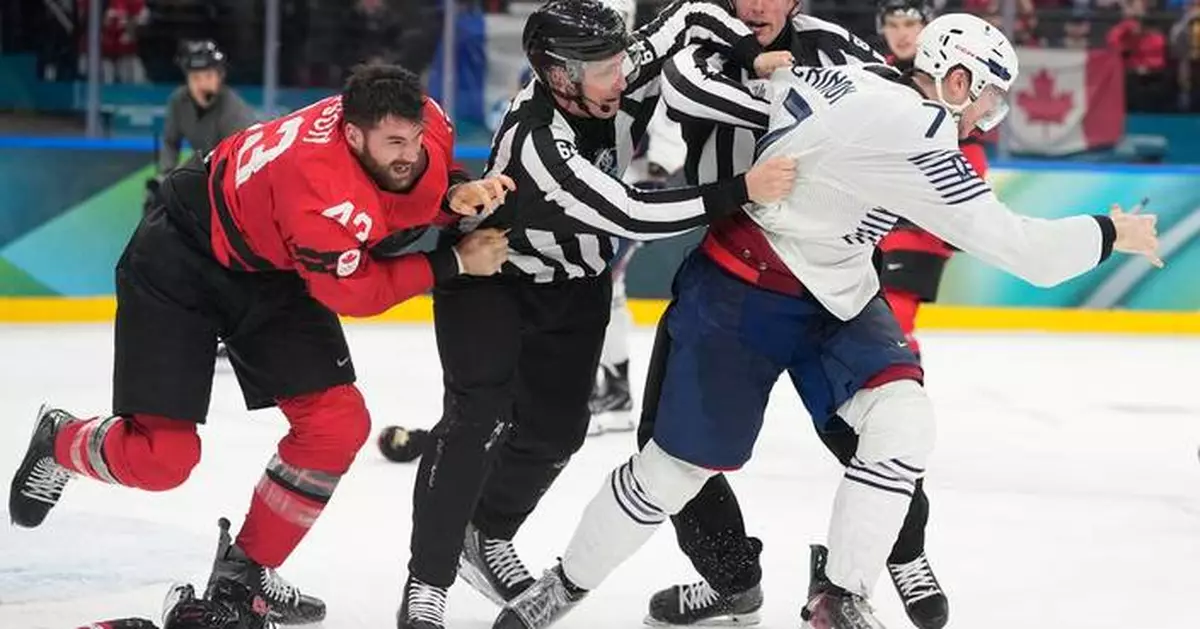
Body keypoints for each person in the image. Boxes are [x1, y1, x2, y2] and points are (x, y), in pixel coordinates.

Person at [494, 12, 1161, 629]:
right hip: (743, 291)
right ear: (957, 81)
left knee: (903, 422)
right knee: (673, 470)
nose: (991, 116)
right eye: (991, 97)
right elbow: (1026, 251)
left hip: (838, 292)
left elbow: (730, 84)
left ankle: (840, 595)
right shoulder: (918, 135)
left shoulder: (853, 76)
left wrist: (748, 71)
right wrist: (1112, 232)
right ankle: (566, 583)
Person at [9, 64, 513, 625]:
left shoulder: (423, 123)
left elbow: (416, 185)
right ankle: (61, 440)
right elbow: (358, 291)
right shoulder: (319, 192)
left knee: (336, 424)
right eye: (395, 143)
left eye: (416, 138)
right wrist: (453, 261)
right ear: (351, 135)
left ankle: (243, 574)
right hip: (181, 257)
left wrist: (455, 191)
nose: (412, 153)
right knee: (161, 460)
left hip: (270, 261)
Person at [397, 1, 799, 627]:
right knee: (474, 423)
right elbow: (631, 212)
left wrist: (750, 55)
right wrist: (741, 190)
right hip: (492, 278)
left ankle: (487, 532)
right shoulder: (538, 142)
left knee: (557, 432)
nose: (622, 77)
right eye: (605, 69)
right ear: (560, 76)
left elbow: (692, 12)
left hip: (577, 285)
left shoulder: (607, 70)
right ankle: (428, 582)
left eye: (620, 63)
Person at [636, 1, 960, 627]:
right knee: (666, 439)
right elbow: (682, 86)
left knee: (879, 427)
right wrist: (785, 90)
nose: (757, 5)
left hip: (831, 278)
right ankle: (732, 581)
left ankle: (903, 554)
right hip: (730, 273)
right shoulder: (700, 49)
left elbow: (902, 111)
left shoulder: (834, 44)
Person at [876, 0, 987, 362]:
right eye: (893, 24)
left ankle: (900, 386)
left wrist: (963, 209)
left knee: (893, 320)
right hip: (876, 214)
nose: (902, 33)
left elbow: (972, 144)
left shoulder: (950, 74)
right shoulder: (874, 71)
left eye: (910, 24)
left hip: (921, 221)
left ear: (928, 26)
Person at [149, 40, 256, 214]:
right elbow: (170, 141)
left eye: (208, 77)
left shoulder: (234, 111)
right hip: (204, 170)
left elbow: (239, 159)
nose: (202, 85)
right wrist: (166, 175)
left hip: (236, 176)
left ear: (220, 77)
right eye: (195, 78)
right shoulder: (178, 102)